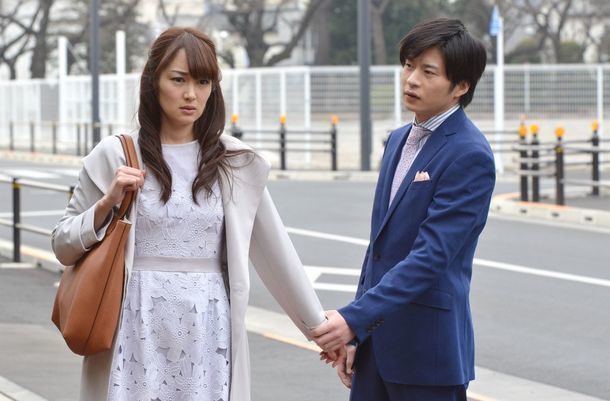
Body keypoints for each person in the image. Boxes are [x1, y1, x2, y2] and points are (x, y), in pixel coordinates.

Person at [51, 27, 326, 401]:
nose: (191, 94)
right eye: (178, 80)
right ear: (154, 81)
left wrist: (320, 329)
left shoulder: (234, 162)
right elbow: (62, 244)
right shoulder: (115, 155)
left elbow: (276, 254)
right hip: (133, 323)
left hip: (206, 328)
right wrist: (106, 205)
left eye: (203, 81)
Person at [312, 18, 495, 401]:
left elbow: (431, 257)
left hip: (427, 354)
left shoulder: (469, 154)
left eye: (428, 72)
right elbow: (378, 251)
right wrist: (356, 334)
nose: (411, 79)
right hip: (374, 347)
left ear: (461, 86)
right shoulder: (398, 139)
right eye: (409, 66)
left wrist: (352, 319)